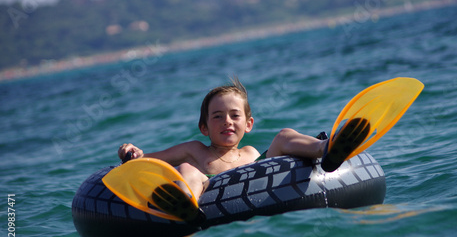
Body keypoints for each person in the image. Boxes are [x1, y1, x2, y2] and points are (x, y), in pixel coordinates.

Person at [118, 77, 331, 201]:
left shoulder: (250, 153)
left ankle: (326, 148)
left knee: (284, 135)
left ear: (249, 124)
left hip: (260, 190)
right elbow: (152, 161)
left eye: (235, 115)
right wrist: (134, 154)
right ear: (204, 128)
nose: (227, 121)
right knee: (187, 170)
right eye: (217, 117)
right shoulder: (196, 151)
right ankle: (184, 204)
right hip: (210, 193)